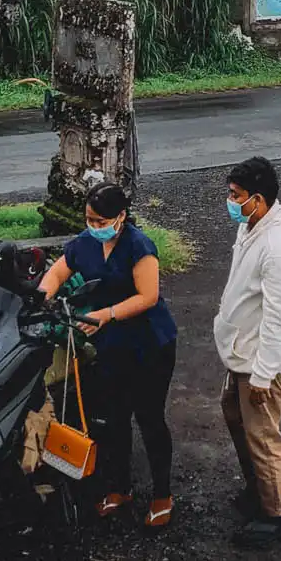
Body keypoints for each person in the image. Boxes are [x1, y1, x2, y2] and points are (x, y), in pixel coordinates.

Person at [39, 181, 178, 528]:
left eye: (102, 221)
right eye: (90, 219)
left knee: (149, 418)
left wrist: (105, 315)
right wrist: (40, 296)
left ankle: (162, 495)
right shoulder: (84, 244)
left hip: (150, 344)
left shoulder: (139, 246)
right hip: (111, 345)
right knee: (113, 418)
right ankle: (120, 488)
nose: (95, 226)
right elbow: (57, 272)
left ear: (121, 217)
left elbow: (147, 296)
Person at [213, 156, 281, 548]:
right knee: (237, 419)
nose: (230, 201)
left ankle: (274, 515)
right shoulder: (252, 226)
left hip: (260, 363)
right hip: (242, 355)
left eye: (236, 196)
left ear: (259, 199)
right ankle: (259, 490)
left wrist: (264, 376)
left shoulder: (277, 248)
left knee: (264, 436)